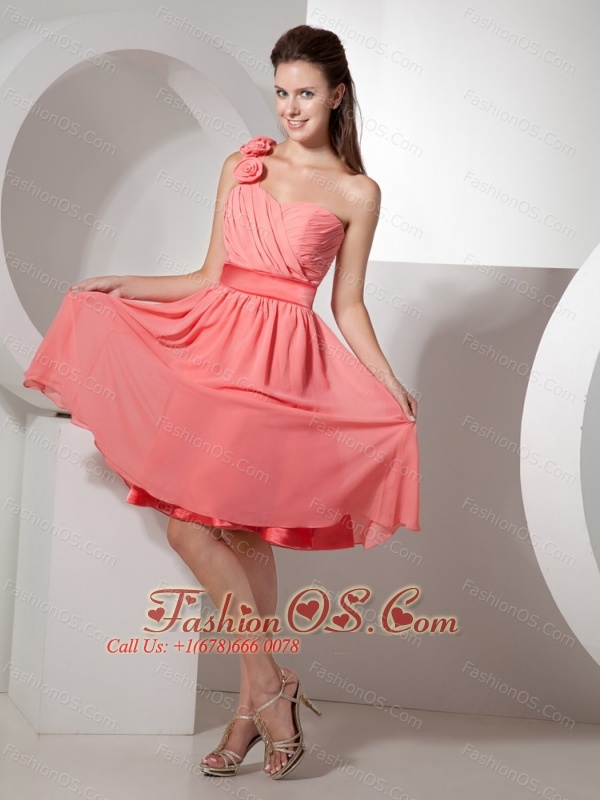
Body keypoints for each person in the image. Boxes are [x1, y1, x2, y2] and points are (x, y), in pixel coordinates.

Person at [22, 24, 420, 780]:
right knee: (203, 531)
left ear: (337, 96)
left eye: (306, 94)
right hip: (215, 354)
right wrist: (126, 283)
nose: (290, 108)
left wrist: (389, 382)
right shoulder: (242, 164)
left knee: (241, 534)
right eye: (282, 92)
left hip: (281, 373)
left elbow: (349, 304)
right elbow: (209, 275)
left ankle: (254, 704)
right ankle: (268, 688)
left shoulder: (356, 192)